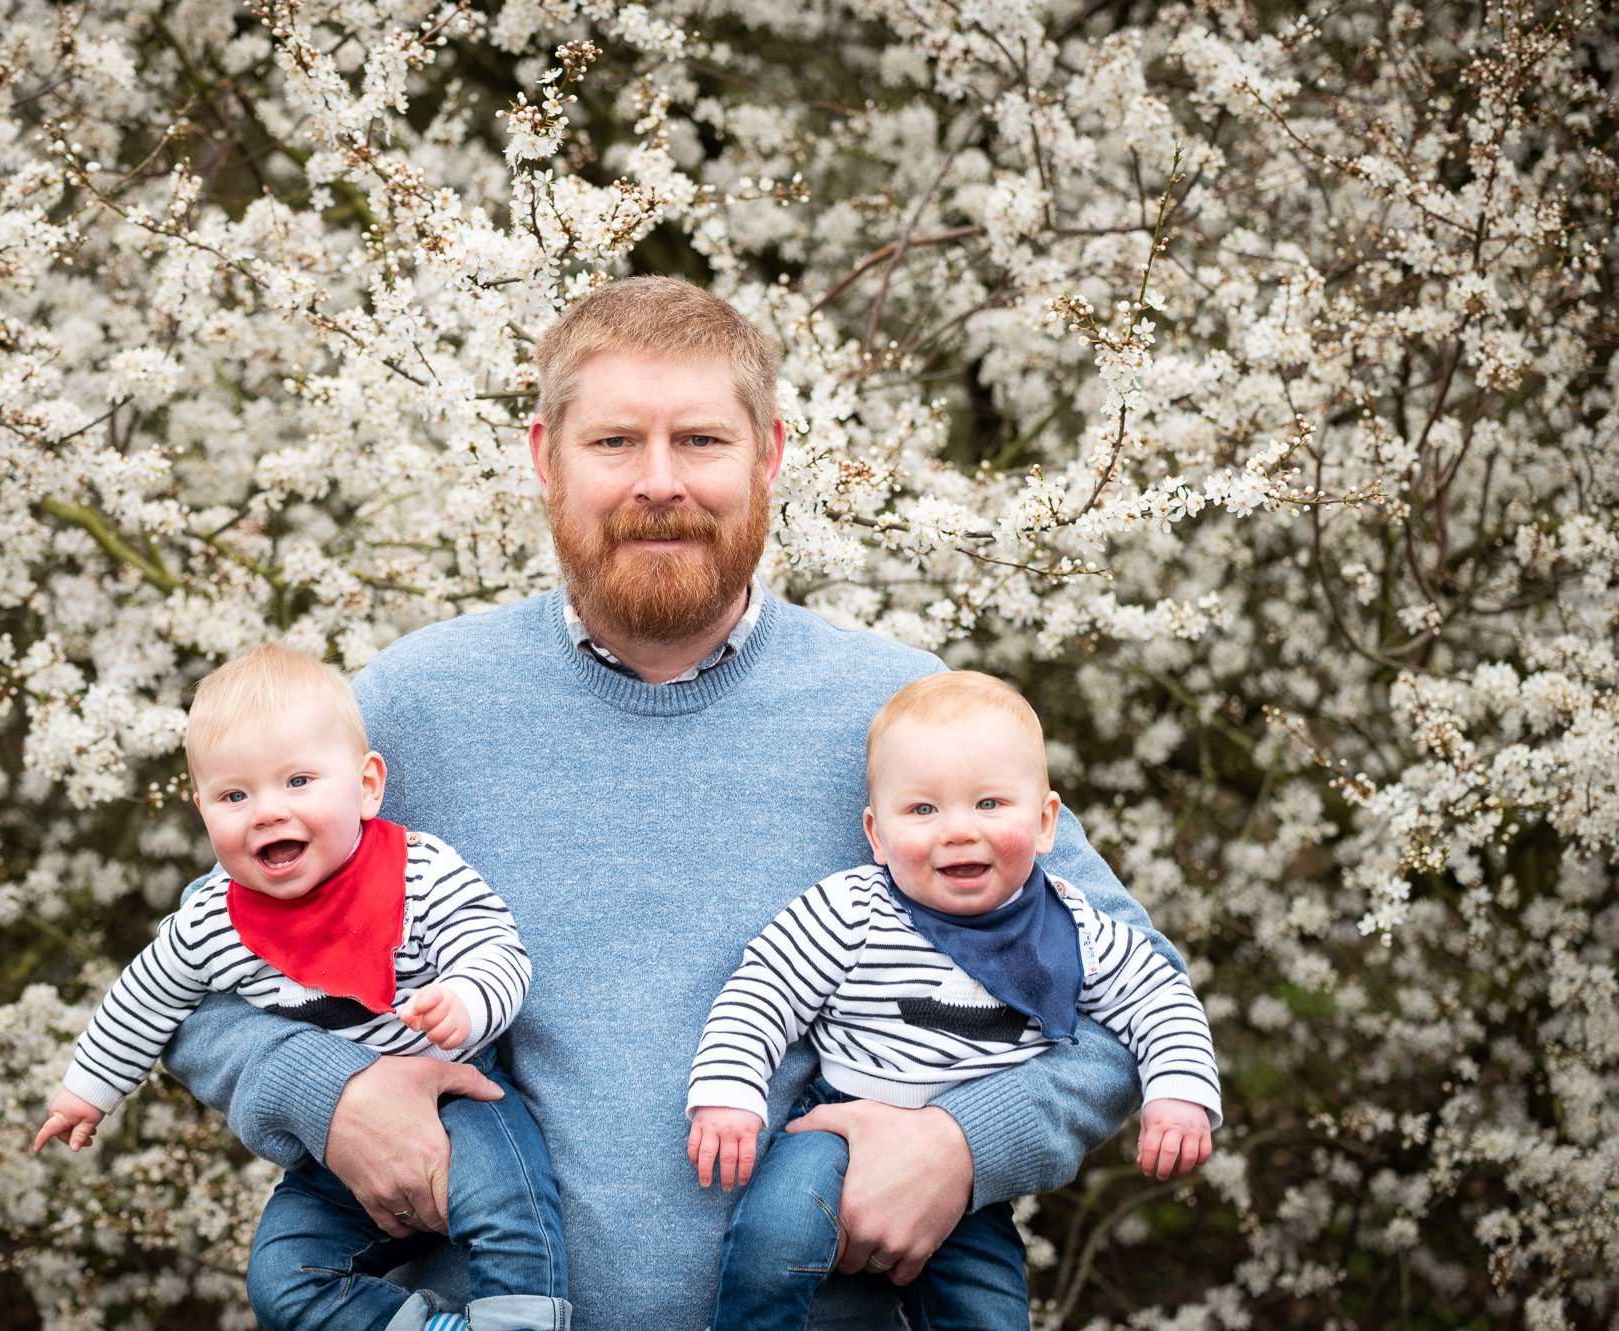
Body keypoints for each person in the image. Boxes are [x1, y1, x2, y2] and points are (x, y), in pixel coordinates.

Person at [164, 276, 1192, 1329]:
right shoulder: (410, 711)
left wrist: (966, 1141)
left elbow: (1132, 995)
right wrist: (325, 1094)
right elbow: (193, 978)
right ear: (542, 457)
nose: (659, 482)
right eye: (614, 442)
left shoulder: (903, 721)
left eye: (699, 440)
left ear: (769, 455)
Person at [34, 645, 570, 1331]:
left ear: (368, 785)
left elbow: (497, 950)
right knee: (282, 1278)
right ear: (202, 810)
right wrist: (88, 1088)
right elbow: (147, 998)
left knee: (511, 1210)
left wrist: (465, 999)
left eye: (297, 781)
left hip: (461, 1092)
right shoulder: (211, 920)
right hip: (336, 1147)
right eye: (234, 795)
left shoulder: (418, 872)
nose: (265, 812)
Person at [687, 670, 1222, 1330]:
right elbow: (762, 990)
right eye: (923, 809)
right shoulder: (853, 909)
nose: (959, 830)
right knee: (774, 1240)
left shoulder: (1072, 929)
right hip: (834, 1122)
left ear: (1047, 821)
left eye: (990, 804)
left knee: (988, 1310)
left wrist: (1177, 1090)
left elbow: (1158, 994)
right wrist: (729, 1092)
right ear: (877, 835)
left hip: (966, 1183)